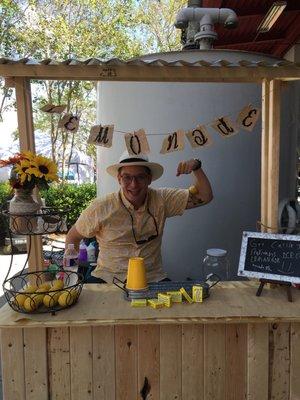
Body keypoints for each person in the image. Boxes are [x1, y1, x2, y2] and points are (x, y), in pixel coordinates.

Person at [64, 151, 213, 283]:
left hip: (152, 279)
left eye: (140, 177)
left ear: (149, 179)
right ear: (119, 179)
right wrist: (71, 278)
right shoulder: (101, 207)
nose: (133, 184)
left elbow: (205, 196)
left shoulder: (163, 199)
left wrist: (196, 166)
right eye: (127, 177)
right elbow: (72, 237)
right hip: (108, 279)